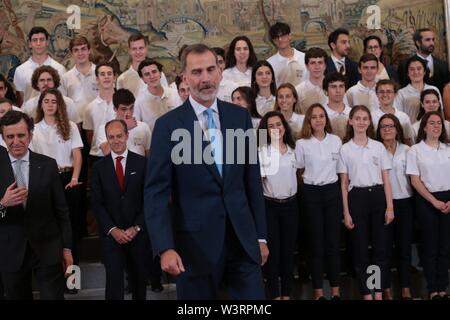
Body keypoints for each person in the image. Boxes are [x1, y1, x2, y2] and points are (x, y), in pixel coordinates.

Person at [144, 43, 268, 299]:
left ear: (220, 72)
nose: (206, 78)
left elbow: (251, 181)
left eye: (211, 69)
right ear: (185, 77)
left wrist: (261, 237)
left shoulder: (239, 117)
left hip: (242, 243)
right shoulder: (168, 126)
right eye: (197, 72)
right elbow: (156, 192)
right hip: (193, 249)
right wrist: (164, 246)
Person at [0, 111, 73, 299]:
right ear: (3, 137)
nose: (16, 141)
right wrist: (3, 204)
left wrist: (67, 248)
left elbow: (61, 211)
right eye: (10, 136)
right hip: (10, 252)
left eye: (21, 135)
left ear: (30, 135)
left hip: (47, 249)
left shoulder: (48, 165)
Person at [91, 119, 154, 300]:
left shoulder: (142, 163)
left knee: (139, 283)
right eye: (111, 137)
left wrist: (136, 227)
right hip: (112, 237)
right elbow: (97, 203)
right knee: (114, 284)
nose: (116, 140)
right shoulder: (98, 168)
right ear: (107, 139)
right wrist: (113, 230)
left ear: (127, 136)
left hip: (138, 235)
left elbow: (148, 200)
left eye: (119, 136)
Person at [338, 105, 394, 300]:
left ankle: (377, 292)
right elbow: (344, 184)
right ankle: (366, 294)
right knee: (360, 249)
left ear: (369, 122)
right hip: (357, 198)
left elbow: (386, 180)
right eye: (357, 118)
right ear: (350, 121)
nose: (361, 122)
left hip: (378, 197)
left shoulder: (378, 147)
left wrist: (389, 207)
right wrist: (346, 212)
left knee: (380, 249)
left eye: (365, 118)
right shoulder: (345, 149)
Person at [29, 88, 83, 293]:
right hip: (44, 182)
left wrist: (76, 178)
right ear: (41, 105)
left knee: (72, 234)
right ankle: (54, 283)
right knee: (51, 231)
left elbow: (77, 154)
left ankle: (73, 283)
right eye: (47, 101)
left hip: (68, 179)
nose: (50, 105)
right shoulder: (34, 130)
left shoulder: (69, 127)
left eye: (54, 101)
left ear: (59, 105)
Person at [296, 104, 343, 300]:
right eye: (314, 117)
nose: (318, 120)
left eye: (321, 116)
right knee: (315, 244)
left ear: (326, 119)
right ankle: (318, 292)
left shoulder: (336, 140)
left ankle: (335, 291)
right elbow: (298, 170)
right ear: (309, 120)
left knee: (333, 244)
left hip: (332, 193)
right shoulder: (302, 143)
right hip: (311, 194)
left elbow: (341, 171)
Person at [406, 111, 450, 300]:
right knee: (430, 246)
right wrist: (434, 201)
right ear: (424, 127)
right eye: (431, 123)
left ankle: (443, 288)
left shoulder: (448, 148)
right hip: (427, 200)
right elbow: (415, 181)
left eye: (439, 123)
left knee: (445, 247)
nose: (436, 126)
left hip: (448, 200)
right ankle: (433, 289)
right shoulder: (416, 150)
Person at [258, 111, 299, 300]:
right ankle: (274, 295)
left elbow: (299, 174)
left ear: (284, 126)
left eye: (279, 124)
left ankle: (287, 294)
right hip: (270, 206)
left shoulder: (293, 149)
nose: (276, 128)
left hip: (291, 205)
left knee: (288, 252)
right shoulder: (262, 152)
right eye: (271, 126)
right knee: (273, 254)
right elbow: (258, 184)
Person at [376, 113, 414, 300]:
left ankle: (406, 288)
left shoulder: (407, 150)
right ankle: (385, 290)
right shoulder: (374, 149)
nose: (388, 129)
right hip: (381, 205)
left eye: (391, 126)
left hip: (404, 203)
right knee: (382, 250)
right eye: (383, 126)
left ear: (397, 129)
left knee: (404, 248)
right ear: (379, 131)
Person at [13, 27, 66, 105]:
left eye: (42, 40)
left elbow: (62, 97)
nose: (38, 43)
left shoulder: (59, 69)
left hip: (53, 114)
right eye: (35, 40)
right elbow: (21, 100)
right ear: (30, 44)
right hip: (29, 115)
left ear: (47, 42)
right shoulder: (20, 70)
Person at [97, 89, 152, 157]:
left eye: (131, 108)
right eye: (124, 109)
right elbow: (106, 152)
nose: (128, 113)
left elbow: (149, 155)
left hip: (139, 166)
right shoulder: (104, 128)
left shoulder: (144, 127)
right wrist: (124, 127)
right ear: (115, 109)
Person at [83, 62, 117, 163]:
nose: (106, 77)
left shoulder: (122, 105)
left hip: (121, 155)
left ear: (114, 77)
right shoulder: (90, 108)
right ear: (97, 79)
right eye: (102, 74)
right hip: (98, 156)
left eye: (109, 74)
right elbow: (90, 136)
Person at [134, 59, 181, 131]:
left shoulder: (175, 94)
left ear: (160, 74)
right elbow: (137, 128)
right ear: (143, 79)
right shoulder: (139, 102)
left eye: (154, 72)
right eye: (147, 74)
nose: (152, 76)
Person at [398, 28, 449, 94]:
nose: (432, 43)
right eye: (428, 40)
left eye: (433, 39)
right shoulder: (404, 65)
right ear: (418, 43)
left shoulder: (443, 65)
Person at [60, 36, 98, 123]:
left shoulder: (99, 73)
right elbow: (63, 104)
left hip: (96, 121)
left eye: (83, 49)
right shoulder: (66, 78)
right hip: (75, 124)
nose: (80, 53)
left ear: (89, 50)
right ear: (71, 53)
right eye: (76, 50)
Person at [395, 56, 442, 123]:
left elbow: (441, 113)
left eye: (419, 68)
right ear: (408, 73)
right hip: (411, 131)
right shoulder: (401, 93)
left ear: (424, 71)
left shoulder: (434, 89)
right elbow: (399, 117)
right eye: (412, 69)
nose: (416, 72)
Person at [371, 79, 413, 145]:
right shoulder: (371, 117)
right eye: (381, 92)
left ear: (395, 94)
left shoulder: (403, 117)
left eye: (389, 92)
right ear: (376, 94)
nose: (385, 95)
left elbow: (408, 140)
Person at [267, 22, 308, 87]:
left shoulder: (304, 58)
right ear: (273, 41)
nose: (280, 39)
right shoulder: (269, 63)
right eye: (276, 37)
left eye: (283, 36)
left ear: (289, 36)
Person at [295, 47, 328, 114]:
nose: (317, 67)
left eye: (320, 62)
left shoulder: (336, 87)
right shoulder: (298, 90)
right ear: (307, 66)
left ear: (325, 66)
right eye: (313, 63)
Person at [322, 72, 351, 140]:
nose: (338, 90)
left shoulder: (353, 113)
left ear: (345, 90)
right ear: (325, 91)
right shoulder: (321, 114)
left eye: (341, 86)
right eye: (333, 87)